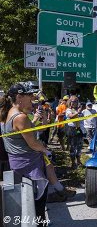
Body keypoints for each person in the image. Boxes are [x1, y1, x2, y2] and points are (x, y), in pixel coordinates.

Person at [0, 83, 50, 225]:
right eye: (30, 96)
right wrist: (45, 149)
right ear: (19, 97)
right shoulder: (20, 117)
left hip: (16, 164)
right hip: (29, 166)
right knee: (38, 205)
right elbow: (33, 143)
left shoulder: (6, 113)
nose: (33, 99)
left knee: (27, 204)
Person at [65, 95, 85, 169]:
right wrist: (77, 112)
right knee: (72, 147)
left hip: (79, 129)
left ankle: (79, 161)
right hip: (72, 129)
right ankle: (73, 163)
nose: (73, 103)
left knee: (79, 146)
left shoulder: (80, 110)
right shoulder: (68, 110)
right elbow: (70, 116)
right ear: (70, 102)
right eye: (72, 101)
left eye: (75, 101)